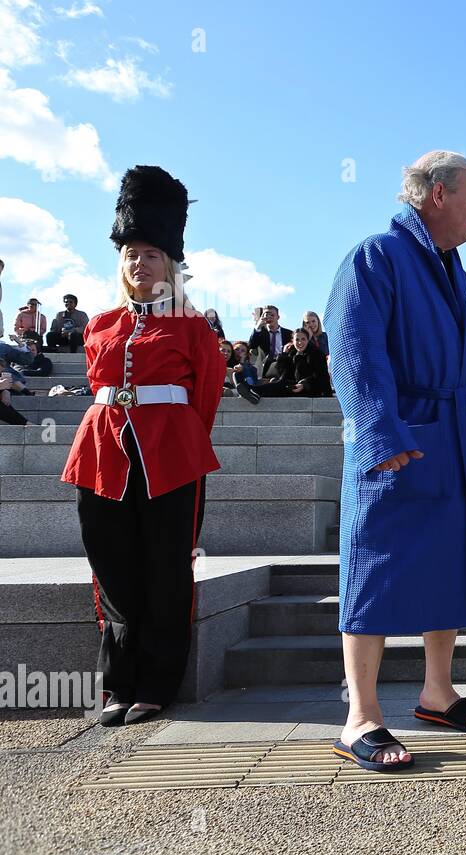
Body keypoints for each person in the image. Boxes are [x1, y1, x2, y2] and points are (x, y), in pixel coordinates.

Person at [324, 150, 466, 772]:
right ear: (436, 194)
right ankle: (361, 715)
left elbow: (448, 353)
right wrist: (378, 433)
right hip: (397, 437)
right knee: (373, 567)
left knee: (448, 565)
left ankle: (436, 693)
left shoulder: (452, 270)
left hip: (450, 437)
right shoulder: (375, 256)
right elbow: (353, 349)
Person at [60, 166, 226, 726]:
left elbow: (204, 396)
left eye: (151, 253)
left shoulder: (193, 326)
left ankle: (157, 683)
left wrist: (176, 441)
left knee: (165, 567)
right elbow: (96, 383)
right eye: (131, 253)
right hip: (102, 452)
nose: (139, 262)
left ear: (170, 265)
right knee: (113, 567)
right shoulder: (100, 323)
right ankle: (119, 684)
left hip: (171, 455)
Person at [249, 328, 329, 397]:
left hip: (312, 390)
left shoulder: (316, 354)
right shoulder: (292, 354)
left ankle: (253, 391)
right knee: (281, 384)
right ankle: (252, 391)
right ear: (292, 341)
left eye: (303, 339)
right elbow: (283, 374)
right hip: (294, 387)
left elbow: (322, 377)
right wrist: (284, 354)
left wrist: (304, 385)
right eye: (297, 339)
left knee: (280, 386)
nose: (300, 342)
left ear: (308, 340)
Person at [249, 304, 291, 375]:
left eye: (272, 315)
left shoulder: (288, 333)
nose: (269, 317)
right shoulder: (260, 333)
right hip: (266, 366)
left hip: (284, 365)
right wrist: (258, 326)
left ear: (278, 317)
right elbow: (251, 346)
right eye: (266, 315)